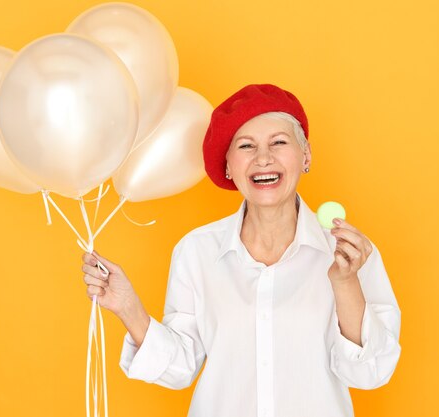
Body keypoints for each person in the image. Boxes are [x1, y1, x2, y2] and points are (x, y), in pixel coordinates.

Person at [81, 84, 401, 417]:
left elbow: (370, 373)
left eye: (279, 142)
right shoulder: (196, 251)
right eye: (246, 146)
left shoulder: (350, 252)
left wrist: (346, 283)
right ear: (229, 167)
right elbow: (180, 367)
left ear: (305, 155)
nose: (264, 158)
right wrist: (129, 308)